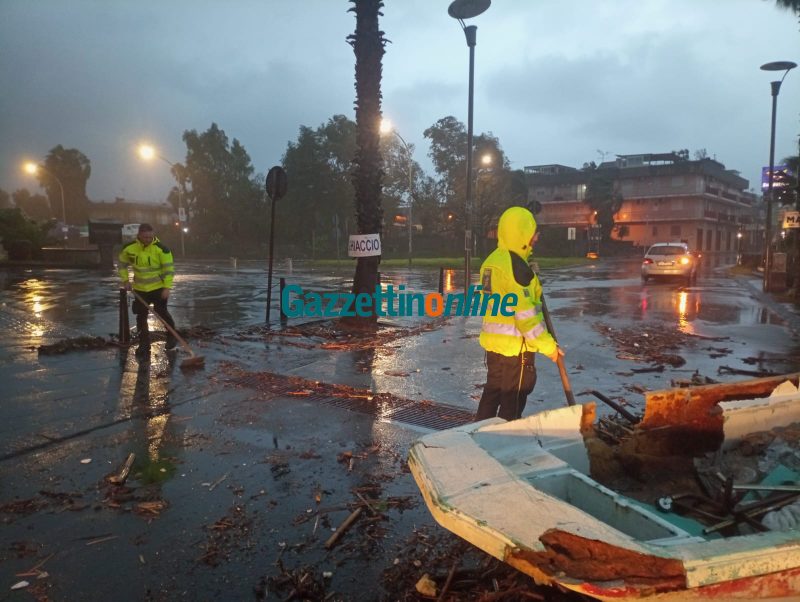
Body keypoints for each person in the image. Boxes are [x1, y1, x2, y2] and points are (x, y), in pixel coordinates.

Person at [475, 206, 563, 421]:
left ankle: (476, 435)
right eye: (533, 231)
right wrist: (549, 348)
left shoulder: (492, 262)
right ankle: (505, 444)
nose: (537, 237)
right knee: (512, 402)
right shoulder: (517, 268)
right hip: (517, 350)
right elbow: (527, 318)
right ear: (522, 234)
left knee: (492, 392)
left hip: (494, 347)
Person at [118, 223, 177, 357]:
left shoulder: (162, 249)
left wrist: (167, 287)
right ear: (139, 235)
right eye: (145, 237)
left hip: (158, 288)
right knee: (141, 317)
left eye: (150, 237)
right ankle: (144, 345)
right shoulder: (129, 248)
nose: (148, 240)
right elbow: (121, 264)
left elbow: (169, 271)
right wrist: (125, 280)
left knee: (162, 313)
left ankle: (172, 337)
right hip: (140, 289)